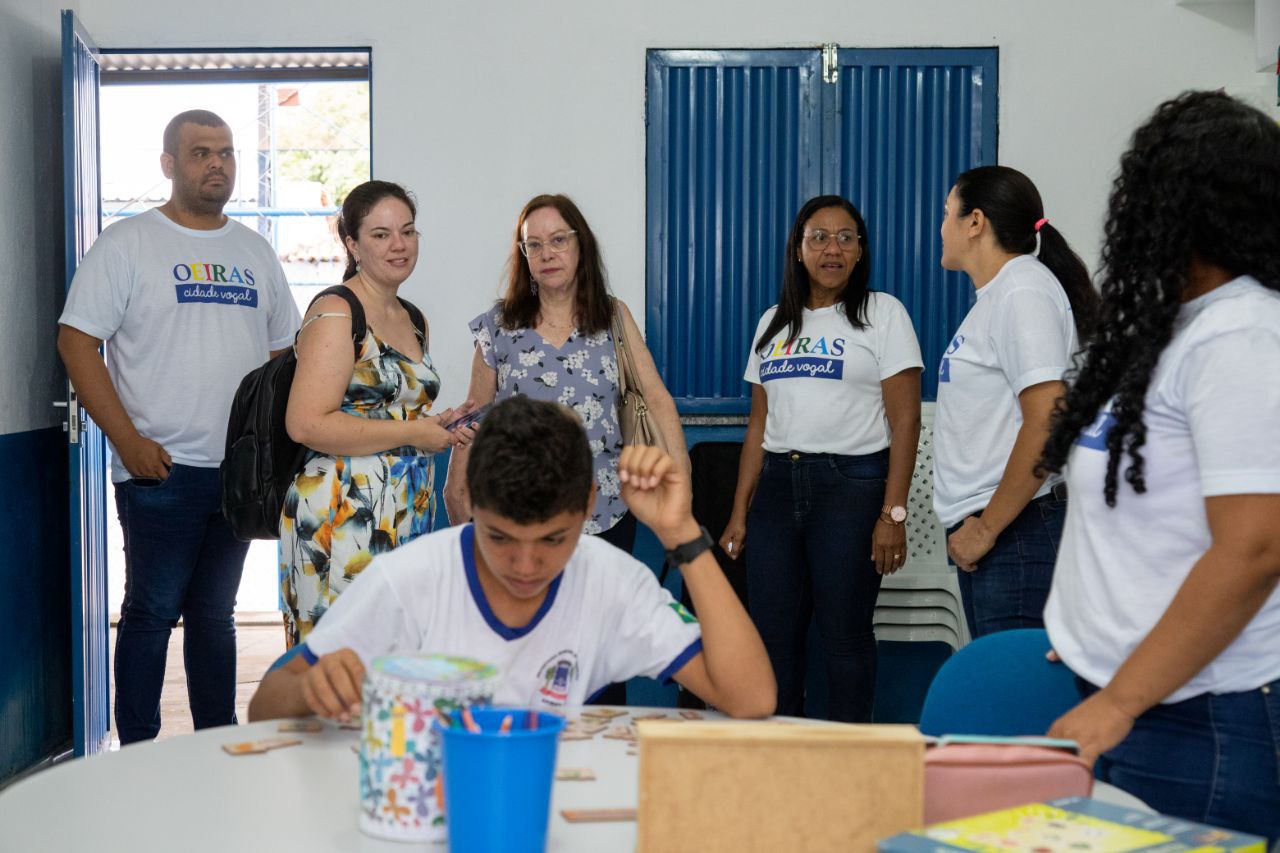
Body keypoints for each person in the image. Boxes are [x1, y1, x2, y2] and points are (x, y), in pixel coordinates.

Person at [1042, 91, 1280, 840]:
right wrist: (1095, 623)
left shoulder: (1243, 339)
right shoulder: (1175, 327)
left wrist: (1120, 698)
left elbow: (1255, 547)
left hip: (1199, 719)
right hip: (1138, 697)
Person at [248, 396, 775, 721]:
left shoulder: (612, 582)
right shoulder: (405, 581)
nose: (526, 566)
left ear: (589, 503)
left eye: (552, 541)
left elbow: (751, 698)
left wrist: (681, 533)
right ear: (471, 503)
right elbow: (265, 702)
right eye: (500, 538)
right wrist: (310, 692)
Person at [57, 110, 301, 743]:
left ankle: (213, 744)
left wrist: (273, 452)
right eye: (200, 153)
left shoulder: (254, 250)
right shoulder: (128, 244)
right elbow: (77, 342)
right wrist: (127, 442)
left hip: (238, 478)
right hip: (160, 472)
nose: (216, 163)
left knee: (215, 617)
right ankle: (139, 749)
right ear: (169, 164)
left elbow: (282, 358)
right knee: (150, 614)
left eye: (225, 152)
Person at [719, 195, 923, 722]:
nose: (832, 248)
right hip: (778, 490)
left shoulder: (884, 314)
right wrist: (741, 511)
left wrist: (892, 514)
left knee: (845, 635)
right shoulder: (772, 323)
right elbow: (759, 427)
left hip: (851, 488)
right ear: (798, 249)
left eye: (845, 237)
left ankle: (850, 764)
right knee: (774, 636)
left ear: (860, 251)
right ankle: (778, 754)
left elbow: (906, 421)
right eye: (819, 237)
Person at [280, 180, 475, 645]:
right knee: (339, 668)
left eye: (408, 232)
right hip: (343, 509)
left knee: (398, 660)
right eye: (381, 234)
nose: (399, 245)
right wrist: (413, 434)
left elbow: (395, 413)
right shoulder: (337, 311)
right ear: (352, 243)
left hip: (407, 505)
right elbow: (306, 423)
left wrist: (437, 425)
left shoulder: (412, 316)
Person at [444, 193, 690, 553]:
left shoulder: (613, 316)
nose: (547, 254)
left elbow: (656, 399)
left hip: (606, 510)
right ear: (524, 254)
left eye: (559, 240)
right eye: (534, 244)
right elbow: (473, 415)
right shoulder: (496, 327)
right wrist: (456, 495)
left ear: (580, 245)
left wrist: (683, 487)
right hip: (519, 516)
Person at [933, 166, 1099, 639]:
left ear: (975, 222)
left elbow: (1047, 418)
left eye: (948, 213)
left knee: (1014, 709)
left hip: (1016, 531)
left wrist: (987, 529)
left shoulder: (1021, 290)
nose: (942, 227)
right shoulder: (1002, 293)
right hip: (1004, 531)